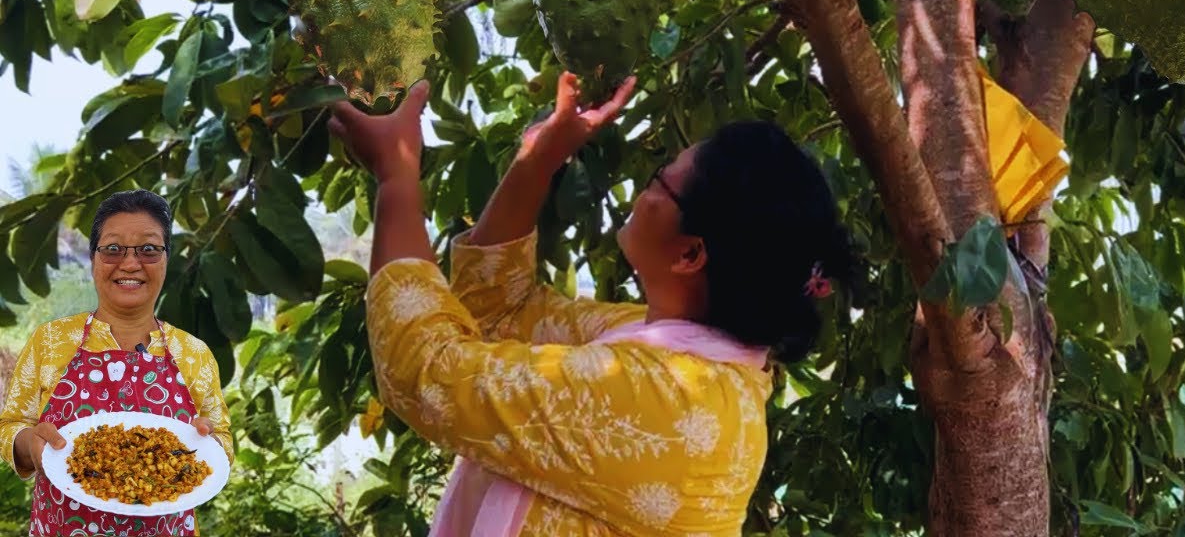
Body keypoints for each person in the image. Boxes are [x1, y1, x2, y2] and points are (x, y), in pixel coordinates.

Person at [331, 61, 1066, 537]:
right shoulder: (666, 354)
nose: (644, 187)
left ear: (691, 254)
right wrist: (540, 158)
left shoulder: (662, 399)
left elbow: (426, 371)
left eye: (662, 182)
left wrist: (398, 179)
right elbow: (501, 308)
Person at [0, 189, 233, 537]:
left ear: (166, 259)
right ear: (94, 258)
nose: (130, 264)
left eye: (149, 249)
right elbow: (10, 426)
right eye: (113, 249)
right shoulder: (50, 340)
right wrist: (30, 444)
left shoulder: (193, 353)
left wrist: (207, 442)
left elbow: (223, 440)